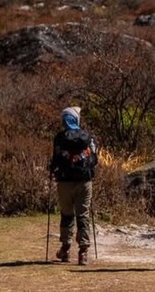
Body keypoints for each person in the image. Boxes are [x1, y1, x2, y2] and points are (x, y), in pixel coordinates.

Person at [48, 105, 98, 265]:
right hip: (84, 181)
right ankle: (83, 252)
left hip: (64, 182)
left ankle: (65, 249)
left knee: (67, 214)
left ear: (64, 120)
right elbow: (94, 159)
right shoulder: (88, 137)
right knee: (83, 215)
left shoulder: (59, 138)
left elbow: (55, 160)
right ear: (77, 119)